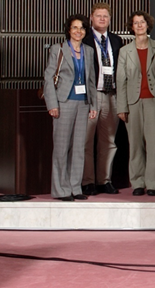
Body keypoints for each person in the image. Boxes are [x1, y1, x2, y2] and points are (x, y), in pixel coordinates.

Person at [43, 14, 99, 201]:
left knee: (78, 148)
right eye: (75, 27)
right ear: (68, 30)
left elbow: (91, 80)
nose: (78, 31)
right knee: (61, 148)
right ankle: (61, 190)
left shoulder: (88, 51)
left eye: (82, 28)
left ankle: (75, 187)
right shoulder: (58, 49)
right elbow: (48, 78)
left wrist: (93, 104)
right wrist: (52, 104)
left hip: (83, 103)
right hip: (64, 102)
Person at [116, 11, 155, 196]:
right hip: (132, 102)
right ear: (132, 27)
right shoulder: (124, 51)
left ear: (148, 25)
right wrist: (121, 106)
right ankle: (137, 182)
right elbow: (121, 80)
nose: (139, 25)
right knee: (135, 144)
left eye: (142, 22)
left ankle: (152, 184)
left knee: (154, 144)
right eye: (135, 23)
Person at [81, 2, 122, 196]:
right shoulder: (85, 39)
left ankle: (104, 180)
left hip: (111, 94)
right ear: (91, 17)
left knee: (109, 141)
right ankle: (87, 181)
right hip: (92, 95)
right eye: (98, 16)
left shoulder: (116, 40)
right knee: (86, 141)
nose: (102, 19)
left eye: (106, 16)